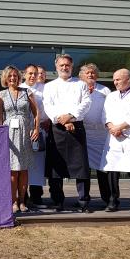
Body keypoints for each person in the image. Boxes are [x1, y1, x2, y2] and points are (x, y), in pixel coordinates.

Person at [43, 54, 92, 213]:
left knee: (81, 166)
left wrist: (70, 116)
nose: (64, 67)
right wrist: (62, 119)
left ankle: (83, 201)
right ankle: (58, 201)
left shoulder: (81, 84)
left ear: (72, 67)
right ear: (56, 67)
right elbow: (48, 105)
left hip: (76, 127)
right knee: (56, 167)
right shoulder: (49, 86)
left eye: (67, 65)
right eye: (61, 65)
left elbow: (86, 103)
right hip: (57, 128)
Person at [99, 69, 130, 214]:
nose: (115, 82)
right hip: (113, 138)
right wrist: (112, 128)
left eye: (118, 80)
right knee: (112, 170)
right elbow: (104, 115)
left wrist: (120, 127)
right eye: (114, 80)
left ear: (128, 79)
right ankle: (113, 201)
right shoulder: (111, 96)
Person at [0, 66, 40, 213]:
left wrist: (36, 128)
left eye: (15, 75)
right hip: (9, 135)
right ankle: (13, 201)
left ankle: (22, 201)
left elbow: (36, 113)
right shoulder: (1, 95)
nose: (13, 78)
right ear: (5, 78)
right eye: (10, 76)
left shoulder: (27, 92)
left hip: (25, 134)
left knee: (24, 169)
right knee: (12, 171)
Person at [79, 63, 111, 206]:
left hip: (101, 135)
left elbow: (112, 109)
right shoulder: (77, 89)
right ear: (81, 76)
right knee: (84, 168)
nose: (90, 75)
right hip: (83, 133)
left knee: (103, 169)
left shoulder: (105, 90)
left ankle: (107, 199)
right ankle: (84, 200)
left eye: (93, 73)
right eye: (87, 73)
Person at [20, 64, 49, 208]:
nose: (33, 76)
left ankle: (37, 197)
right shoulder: (18, 88)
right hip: (22, 131)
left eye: (35, 73)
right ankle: (23, 197)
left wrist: (47, 120)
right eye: (30, 73)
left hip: (39, 130)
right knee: (23, 164)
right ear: (24, 74)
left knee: (37, 165)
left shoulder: (45, 89)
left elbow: (49, 107)